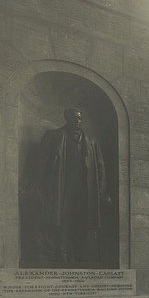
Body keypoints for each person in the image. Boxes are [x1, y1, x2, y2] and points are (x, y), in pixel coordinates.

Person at [40, 106, 109, 267]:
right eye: (75, 118)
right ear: (67, 118)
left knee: (82, 220)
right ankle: (62, 252)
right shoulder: (54, 136)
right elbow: (43, 164)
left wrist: (100, 190)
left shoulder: (91, 140)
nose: (78, 121)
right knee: (63, 220)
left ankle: (80, 253)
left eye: (80, 118)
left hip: (86, 189)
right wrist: (42, 187)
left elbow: (100, 168)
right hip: (62, 186)